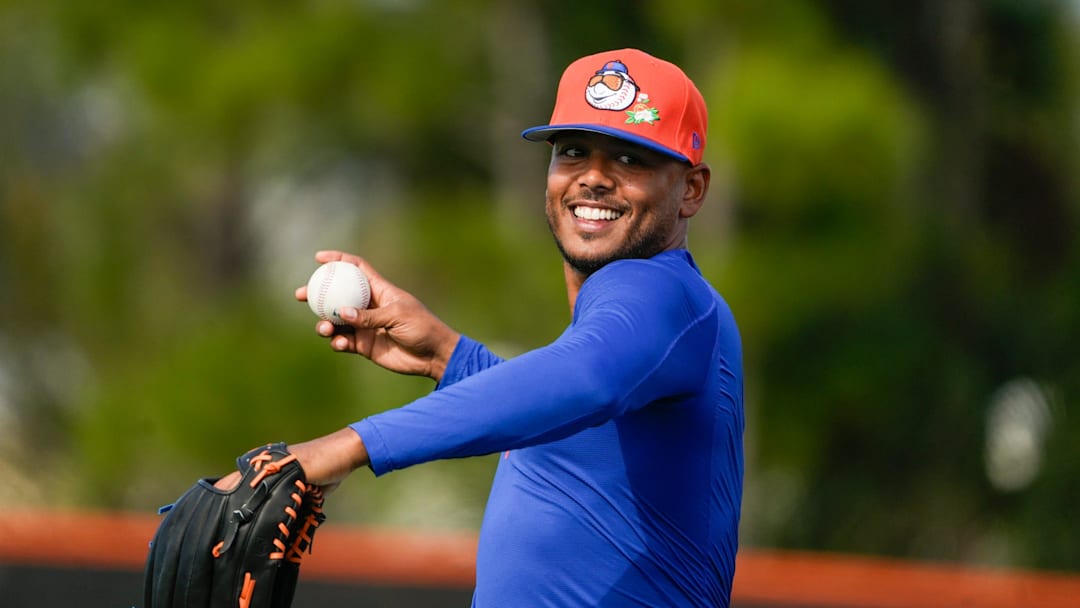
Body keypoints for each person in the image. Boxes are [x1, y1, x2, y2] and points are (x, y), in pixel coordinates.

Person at [221, 48, 745, 607]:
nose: (594, 177)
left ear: (691, 189)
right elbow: (569, 430)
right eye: (573, 152)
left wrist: (348, 445)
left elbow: (587, 379)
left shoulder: (658, 289)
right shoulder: (649, 325)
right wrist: (446, 356)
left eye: (631, 158)